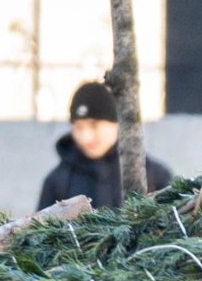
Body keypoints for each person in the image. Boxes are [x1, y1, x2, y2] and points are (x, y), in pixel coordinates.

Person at [39, 81, 174, 211]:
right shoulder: (57, 181)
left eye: (94, 125)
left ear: (116, 123)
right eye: (79, 127)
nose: (86, 137)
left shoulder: (154, 176)